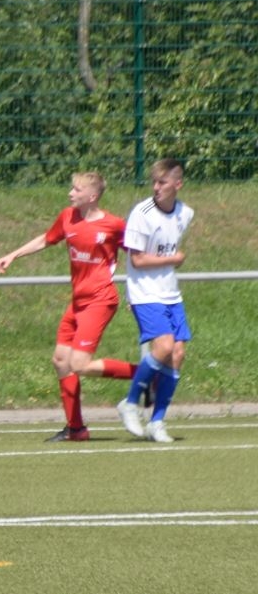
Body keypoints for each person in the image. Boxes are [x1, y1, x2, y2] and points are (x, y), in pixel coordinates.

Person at [0, 172, 138, 441]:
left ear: (92, 196)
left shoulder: (114, 225)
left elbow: (137, 257)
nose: (71, 193)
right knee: (61, 360)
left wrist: (137, 293)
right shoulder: (67, 217)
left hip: (100, 300)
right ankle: (76, 428)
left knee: (79, 364)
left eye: (77, 190)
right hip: (78, 301)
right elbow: (46, 239)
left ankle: (146, 376)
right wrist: (13, 255)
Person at [117, 159, 194, 443]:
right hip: (145, 292)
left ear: (177, 184)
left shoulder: (185, 213)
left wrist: (171, 261)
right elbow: (137, 260)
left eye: (162, 182)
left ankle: (157, 421)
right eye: (154, 182)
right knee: (163, 347)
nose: (156, 187)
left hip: (170, 293)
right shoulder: (142, 213)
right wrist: (173, 259)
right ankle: (130, 403)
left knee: (177, 354)